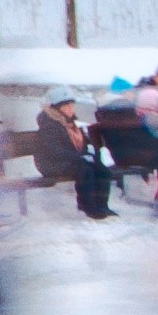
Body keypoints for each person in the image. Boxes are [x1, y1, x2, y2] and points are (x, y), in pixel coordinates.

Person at [33, 86, 113, 219]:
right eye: (66, 106)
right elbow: (52, 151)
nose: (71, 109)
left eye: (71, 105)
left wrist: (90, 153)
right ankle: (89, 207)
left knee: (101, 169)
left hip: (70, 160)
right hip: (50, 164)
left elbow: (84, 143)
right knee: (85, 170)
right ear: (56, 108)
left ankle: (102, 206)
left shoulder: (70, 123)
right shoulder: (49, 125)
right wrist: (81, 157)